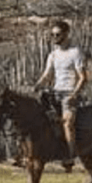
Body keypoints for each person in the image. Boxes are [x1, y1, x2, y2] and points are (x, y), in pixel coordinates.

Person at [34, 19, 88, 167]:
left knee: (67, 123)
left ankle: (70, 156)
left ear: (66, 34)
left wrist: (74, 94)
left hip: (69, 92)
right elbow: (47, 75)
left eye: (57, 34)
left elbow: (83, 77)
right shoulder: (53, 55)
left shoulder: (75, 52)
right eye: (52, 35)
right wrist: (37, 86)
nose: (54, 38)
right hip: (55, 92)